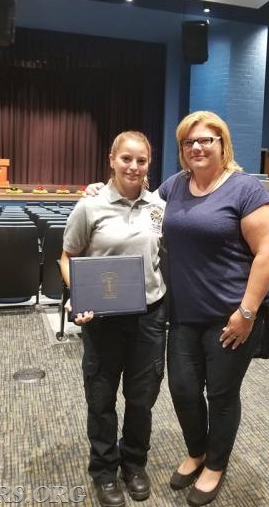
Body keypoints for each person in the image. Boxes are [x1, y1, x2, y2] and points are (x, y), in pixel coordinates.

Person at [84, 111, 269, 507]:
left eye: (206, 140)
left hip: (233, 315)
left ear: (223, 144)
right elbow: (136, 205)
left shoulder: (246, 190)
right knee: (183, 390)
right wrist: (99, 191)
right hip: (184, 315)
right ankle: (197, 451)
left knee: (222, 394)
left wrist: (246, 314)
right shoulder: (175, 187)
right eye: (189, 142)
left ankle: (215, 464)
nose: (197, 147)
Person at [60, 130, 167, 507]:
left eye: (141, 160)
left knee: (142, 398)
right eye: (126, 159)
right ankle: (104, 472)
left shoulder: (159, 208)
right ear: (112, 159)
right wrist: (79, 293)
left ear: (148, 164)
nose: (134, 166)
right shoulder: (89, 206)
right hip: (103, 319)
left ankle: (134, 464)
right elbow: (67, 256)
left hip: (149, 316)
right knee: (101, 398)